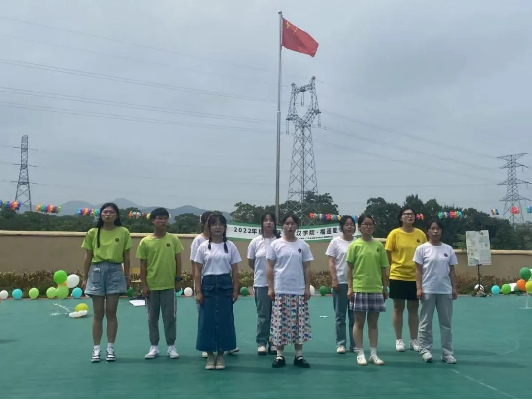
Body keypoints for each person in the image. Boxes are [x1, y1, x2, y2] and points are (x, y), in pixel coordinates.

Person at [82, 202, 132, 363]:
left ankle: (110, 348)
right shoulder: (93, 232)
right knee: (98, 313)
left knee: (111, 311)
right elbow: (88, 256)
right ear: (101, 214)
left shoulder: (123, 232)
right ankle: (96, 349)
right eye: (105, 212)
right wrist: (84, 277)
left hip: (115, 271)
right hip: (97, 271)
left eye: (111, 212)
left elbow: (126, 257)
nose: (108, 214)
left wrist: (127, 276)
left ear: (117, 215)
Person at [194, 214, 241, 370]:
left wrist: (235, 289)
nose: (217, 227)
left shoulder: (231, 246)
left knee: (225, 321)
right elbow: (197, 271)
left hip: (225, 286)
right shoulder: (202, 247)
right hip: (207, 286)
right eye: (214, 224)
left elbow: (235, 270)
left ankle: (221, 355)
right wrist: (198, 291)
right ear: (209, 227)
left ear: (225, 227)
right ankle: (210, 355)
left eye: (221, 224)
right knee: (206, 321)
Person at [267, 214, 313, 369]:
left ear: (297, 226)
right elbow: (270, 267)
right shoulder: (275, 245)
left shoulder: (303, 245)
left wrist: (307, 287)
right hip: (281, 289)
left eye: (293, 223)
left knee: (299, 324)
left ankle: (299, 355)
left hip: (298, 290)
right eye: (287, 223)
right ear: (282, 226)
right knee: (280, 323)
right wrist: (271, 287)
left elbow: (307, 267)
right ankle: (279, 355)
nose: (290, 226)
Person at [137, 208, 184, 360]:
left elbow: (178, 261)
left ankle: (171, 346)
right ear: (153, 220)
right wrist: (144, 285)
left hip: (169, 286)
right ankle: (154, 346)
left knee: (170, 317)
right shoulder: (145, 242)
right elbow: (143, 265)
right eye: (159, 218)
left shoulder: (173, 239)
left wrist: (178, 280)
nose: (163, 221)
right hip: (152, 286)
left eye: (165, 218)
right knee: (152, 318)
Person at [346, 214, 389, 366]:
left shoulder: (379, 246)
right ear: (360, 227)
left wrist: (385, 287)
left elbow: (384, 268)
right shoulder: (354, 245)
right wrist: (350, 287)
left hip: (376, 288)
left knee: (373, 324)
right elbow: (349, 268)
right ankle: (360, 353)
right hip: (359, 288)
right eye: (365, 224)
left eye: (371, 224)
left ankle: (373, 354)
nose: (368, 227)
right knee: (358, 323)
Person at [414, 220, 458, 364]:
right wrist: (419, 288)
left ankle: (447, 353)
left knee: (446, 324)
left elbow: (452, 270)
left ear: (441, 231)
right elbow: (418, 271)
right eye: (432, 228)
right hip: (427, 290)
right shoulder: (421, 249)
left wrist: (454, 288)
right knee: (425, 322)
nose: (435, 231)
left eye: (438, 228)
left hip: (445, 291)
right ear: (428, 231)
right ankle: (425, 350)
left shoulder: (448, 249)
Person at [385, 207, 427, 352]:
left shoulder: (420, 234)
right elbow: (388, 256)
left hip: (415, 277)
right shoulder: (394, 234)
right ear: (401, 217)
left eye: (412, 214)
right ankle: (399, 339)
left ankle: (414, 340)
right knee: (398, 308)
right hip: (397, 275)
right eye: (406, 214)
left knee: (414, 308)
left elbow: (425, 254)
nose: (410, 216)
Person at [247, 213, 281, 356]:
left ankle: (274, 342)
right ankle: (261, 342)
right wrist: (263, 273)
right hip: (261, 283)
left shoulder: (279, 241)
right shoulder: (255, 242)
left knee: (276, 315)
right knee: (263, 315)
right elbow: (251, 262)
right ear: (261, 223)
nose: (268, 223)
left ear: (274, 224)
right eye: (265, 220)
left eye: (271, 220)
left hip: (278, 284)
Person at [325, 215, 356, 354]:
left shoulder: (358, 242)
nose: (350, 227)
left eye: (352, 224)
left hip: (355, 284)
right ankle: (341, 343)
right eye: (347, 224)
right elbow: (331, 262)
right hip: (341, 282)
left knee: (354, 316)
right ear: (342, 227)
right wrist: (334, 279)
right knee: (340, 315)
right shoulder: (335, 242)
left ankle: (355, 344)